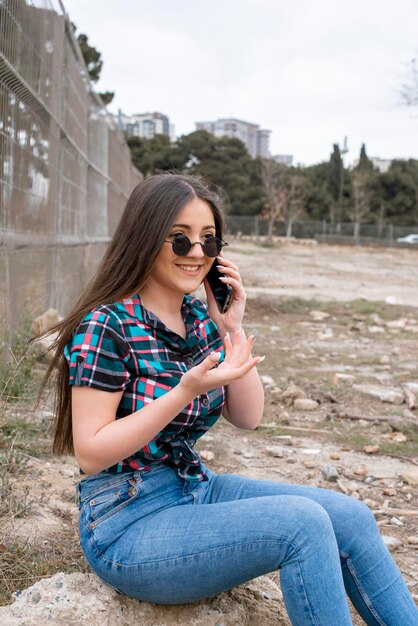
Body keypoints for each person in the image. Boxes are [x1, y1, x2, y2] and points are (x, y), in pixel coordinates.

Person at [43, 172, 418, 625]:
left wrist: (231, 327)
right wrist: (184, 392)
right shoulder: (106, 326)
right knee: (303, 524)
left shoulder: (199, 317)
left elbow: (249, 415)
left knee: (352, 518)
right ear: (145, 238)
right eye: (180, 240)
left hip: (196, 489)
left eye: (210, 241)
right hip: (126, 522)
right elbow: (91, 452)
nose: (197, 253)